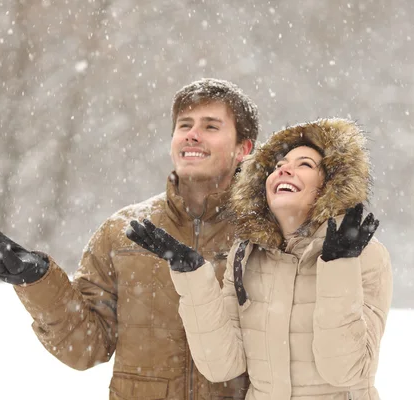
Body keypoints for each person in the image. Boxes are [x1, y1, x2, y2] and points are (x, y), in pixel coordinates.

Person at [0, 78, 259, 400]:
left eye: (210, 126)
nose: (192, 134)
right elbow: (86, 347)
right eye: (184, 125)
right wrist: (38, 282)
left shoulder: (264, 233)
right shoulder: (123, 232)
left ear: (244, 148)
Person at [127, 118, 393, 400]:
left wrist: (339, 267)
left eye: (304, 164)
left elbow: (346, 371)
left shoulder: (364, 254)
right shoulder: (245, 255)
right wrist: (193, 277)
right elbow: (222, 365)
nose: (284, 169)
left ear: (330, 185)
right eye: (278, 166)